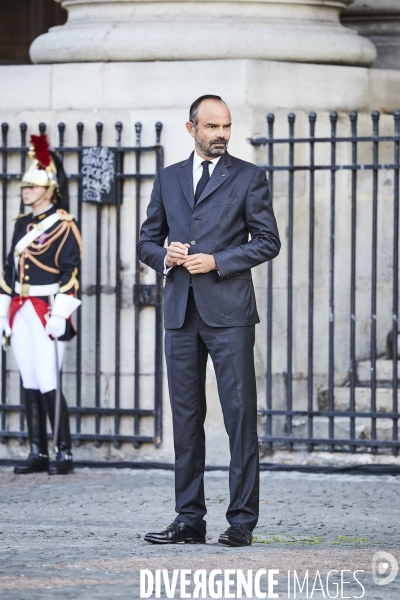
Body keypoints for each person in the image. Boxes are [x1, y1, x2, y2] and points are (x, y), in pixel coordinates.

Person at [137, 95, 280, 547]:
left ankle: (241, 521)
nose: (221, 134)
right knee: (185, 417)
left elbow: (268, 242)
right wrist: (166, 256)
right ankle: (188, 519)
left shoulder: (249, 177)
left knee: (239, 418)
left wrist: (217, 260)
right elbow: (145, 241)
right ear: (191, 128)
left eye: (227, 126)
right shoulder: (168, 178)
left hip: (230, 314)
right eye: (212, 126)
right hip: (180, 314)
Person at [0, 134, 82, 475]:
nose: (25, 191)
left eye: (32, 187)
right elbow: (8, 270)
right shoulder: (22, 223)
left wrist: (61, 314)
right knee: (29, 377)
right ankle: (38, 451)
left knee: (49, 378)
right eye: (24, 187)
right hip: (21, 307)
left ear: (49, 189)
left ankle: (63, 452)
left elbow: (72, 272)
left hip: (48, 307)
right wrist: (4, 312)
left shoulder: (64, 224)